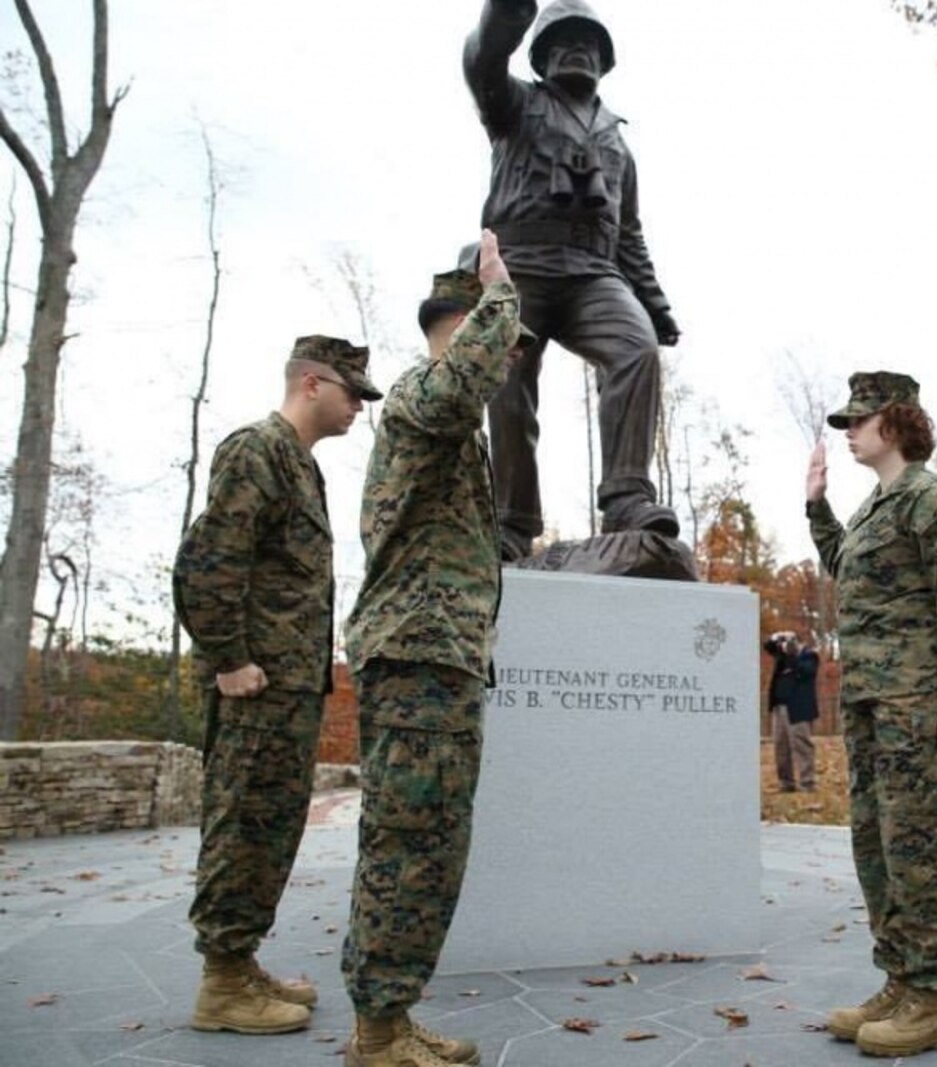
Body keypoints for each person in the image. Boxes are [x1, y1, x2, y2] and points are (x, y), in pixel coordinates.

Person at [338, 232, 523, 1067]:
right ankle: (378, 1030)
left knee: (429, 840)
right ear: (471, 324)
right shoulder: (423, 396)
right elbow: (463, 383)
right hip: (417, 653)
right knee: (410, 841)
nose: (511, 357)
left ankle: (391, 1016)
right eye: (502, 339)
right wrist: (503, 295)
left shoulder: (450, 424)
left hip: (437, 657)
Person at [173, 335, 380, 1036]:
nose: (359, 405)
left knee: (271, 826)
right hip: (255, 684)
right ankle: (222, 982)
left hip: (288, 684)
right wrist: (229, 656)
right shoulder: (255, 450)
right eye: (352, 391)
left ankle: (239, 961)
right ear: (313, 383)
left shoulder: (298, 465)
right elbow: (207, 561)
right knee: (243, 826)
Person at [806, 371, 937, 1058]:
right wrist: (817, 507)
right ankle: (900, 978)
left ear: (895, 423)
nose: (849, 431)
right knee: (877, 845)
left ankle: (933, 997)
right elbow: (846, 569)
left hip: (919, 705)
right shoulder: (876, 506)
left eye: (858, 420)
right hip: (870, 702)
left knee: (922, 849)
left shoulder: (931, 499)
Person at [463, 0, 680, 558]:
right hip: (522, 266)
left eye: (587, 41)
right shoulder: (514, 105)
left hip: (592, 273)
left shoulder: (618, 142)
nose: (574, 49)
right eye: (560, 41)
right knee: (507, 376)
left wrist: (653, 304)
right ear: (539, 56)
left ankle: (627, 496)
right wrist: (508, 12)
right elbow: (482, 58)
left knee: (636, 349)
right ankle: (513, 520)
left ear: (604, 60)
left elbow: (628, 231)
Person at [763, 630, 819, 792]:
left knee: (802, 745)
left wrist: (794, 656)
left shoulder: (809, 656)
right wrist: (776, 636)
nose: (789, 645)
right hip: (779, 706)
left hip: (798, 708)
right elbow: (767, 646)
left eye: (792, 641)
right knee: (781, 746)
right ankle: (786, 783)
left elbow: (806, 672)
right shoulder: (782, 657)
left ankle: (807, 783)